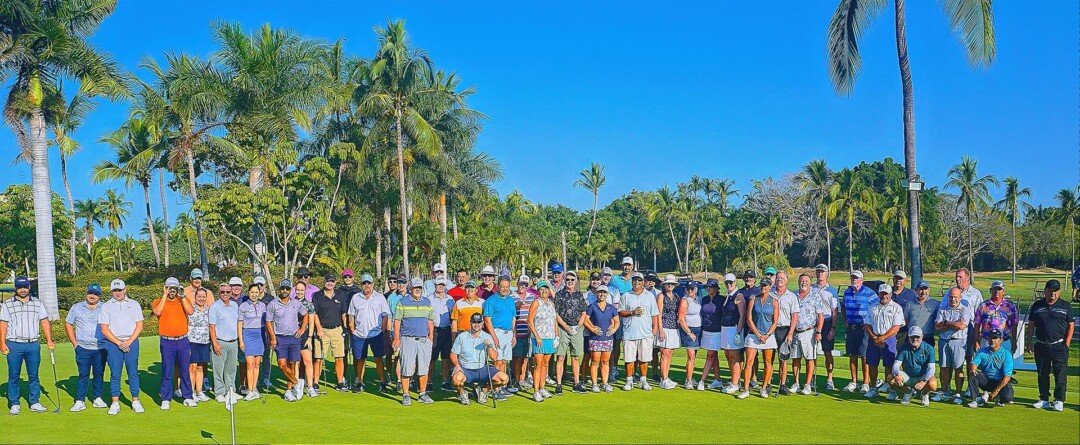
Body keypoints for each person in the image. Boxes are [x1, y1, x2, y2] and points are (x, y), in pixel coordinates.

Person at [1, 276, 55, 415]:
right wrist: (2, 343)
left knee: (34, 375)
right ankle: (14, 403)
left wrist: (49, 340)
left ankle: (34, 402)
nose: (23, 290)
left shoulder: (37, 303)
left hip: (33, 344)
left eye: (25, 287)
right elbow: (3, 324)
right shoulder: (7, 304)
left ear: (29, 287)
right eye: (20, 287)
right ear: (16, 288)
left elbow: (44, 322)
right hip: (14, 344)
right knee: (13, 376)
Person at [1025, 279, 1074, 412]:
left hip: (1059, 345)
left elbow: (1070, 325)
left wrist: (1067, 343)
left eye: (1055, 291)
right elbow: (1031, 325)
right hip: (1041, 345)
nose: (1053, 293)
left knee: (1060, 374)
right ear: (1045, 291)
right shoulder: (1037, 305)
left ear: (1059, 292)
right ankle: (1044, 399)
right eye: (1050, 290)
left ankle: (1059, 400)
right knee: (1042, 373)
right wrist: (1029, 342)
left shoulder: (1065, 306)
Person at [98, 279, 145, 415]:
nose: (117, 293)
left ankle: (135, 400)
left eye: (119, 290)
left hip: (131, 341)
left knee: (133, 371)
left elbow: (139, 326)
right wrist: (119, 343)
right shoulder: (106, 306)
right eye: (114, 290)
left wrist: (128, 342)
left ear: (125, 290)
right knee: (115, 373)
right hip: (113, 343)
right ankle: (115, 403)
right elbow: (104, 329)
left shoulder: (134, 304)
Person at [151, 277, 195, 409]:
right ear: (165, 288)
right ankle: (165, 398)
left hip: (182, 340)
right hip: (167, 341)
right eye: (169, 288)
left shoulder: (182, 300)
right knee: (167, 370)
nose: (172, 291)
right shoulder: (158, 301)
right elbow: (157, 311)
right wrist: (164, 295)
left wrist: (183, 296)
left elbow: (191, 311)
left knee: (184, 370)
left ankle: (188, 397)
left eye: (174, 288)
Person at [64, 284, 108, 412]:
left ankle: (97, 398)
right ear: (86, 293)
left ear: (99, 295)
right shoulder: (77, 307)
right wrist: (75, 343)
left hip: (101, 348)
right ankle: (80, 401)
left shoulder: (105, 307)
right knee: (83, 374)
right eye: (90, 293)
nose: (92, 296)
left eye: (95, 294)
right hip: (82, 347)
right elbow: (68, 323)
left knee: (99, 374)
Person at [450, 313, 509, 405]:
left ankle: (484, 390)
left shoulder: (487, 336)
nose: (476, 324)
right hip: (466, 369)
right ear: (470, 322)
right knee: (456, 380)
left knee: (504, 379)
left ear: (482, 323)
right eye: (474, 322)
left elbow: (494, 357)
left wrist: (489, 346)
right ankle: (462, 393)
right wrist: (457, 366)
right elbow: (453, 354)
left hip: (482, 369)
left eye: (479, 322)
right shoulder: (462, 336)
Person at [393, 278, 436, 405]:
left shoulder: (427, 302)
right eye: (415, 287)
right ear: (410, 288)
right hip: (407, 339)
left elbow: (430, 321)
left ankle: (422, 393)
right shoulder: (402, 302)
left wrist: (431, 337)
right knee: (406, 368)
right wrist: (396, 338)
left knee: (423, 368)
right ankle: (406, 395)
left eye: (420, 288)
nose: (418, 290)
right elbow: (397, 321)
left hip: (423, 340)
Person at [347, 274, 391, 393]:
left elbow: (385, 315)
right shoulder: (356, 297)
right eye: (364, 283)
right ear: (361, 284)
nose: (367, 285)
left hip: (376, 334)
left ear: (373, 284)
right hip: (360, 334)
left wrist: (382, 330)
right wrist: (353, 330)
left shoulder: (380, 297)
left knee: (378, 359)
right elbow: (351, 315)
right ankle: (360, 382)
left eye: (369, 283)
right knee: (360, 359)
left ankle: (382, 383)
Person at [267, 279, 309, 402]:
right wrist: (273, 337)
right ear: (280, 289)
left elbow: (306, 315)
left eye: (287, 289)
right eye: (283, 288)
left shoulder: (296, 303)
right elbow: (268, 322)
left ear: (291, 290)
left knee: (293, 364)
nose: (285, 291)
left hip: (294, 337)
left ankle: (288, 391)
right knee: (282, 364)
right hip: (280, 337)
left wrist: (302, 329)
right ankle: (297, 383)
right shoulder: (273, 304)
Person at [863, 284, 906, 399]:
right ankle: (873, 388)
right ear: (878, 294)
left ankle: (892, 390)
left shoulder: (896, 307)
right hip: (873, 338)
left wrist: (882, 338)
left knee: (889, 365)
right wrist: (874, 337)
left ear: (890, 294)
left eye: (886, 294)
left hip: (889, 339)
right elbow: (867, 324)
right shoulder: (872, 307)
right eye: (881, 293)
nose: (883, 296)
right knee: (872, 364)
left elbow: (896, 327)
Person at [619, 272, 660, 391]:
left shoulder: (650, 296)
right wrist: (632, 312)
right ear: (632, 281)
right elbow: (620, 312)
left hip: (646, 333)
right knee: (629, 359)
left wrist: (654, 330)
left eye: (639, 280)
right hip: (629, 333)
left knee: (644, 358)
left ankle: (643, 380)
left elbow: (654, 314)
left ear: (643, 282)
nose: (637, 282)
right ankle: (629, 380)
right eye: (635, 280)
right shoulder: (626, 295)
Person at [739, 279, 778, 399]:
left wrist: (767, 335)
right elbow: (749, 319)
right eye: (761, 285)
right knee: (749, 362)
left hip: (768, 336)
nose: (763, 287)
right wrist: (758, 335)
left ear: (770, 287)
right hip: (753, 334)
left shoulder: (774, 301)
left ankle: (764, 388)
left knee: (767, 362)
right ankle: (746, 389)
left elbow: (775, 321)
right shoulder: (753, 299)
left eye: (765, 285)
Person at [933, 287, 971, 404]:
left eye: (955, 297)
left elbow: (961, 326)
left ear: (960, 298)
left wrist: (946, 322)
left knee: (958, 368)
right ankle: (944, 391)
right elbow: (937, 326)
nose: (953, 299)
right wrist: (953, 324)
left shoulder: (964, 310)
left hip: (959, 341)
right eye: (951, 297)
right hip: (944, 340)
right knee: (944, 367)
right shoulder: (943, 309)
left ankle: (958, 393)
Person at [312, 273, 349, 391]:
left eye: (332, 281)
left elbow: (343, 313)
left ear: (335, 282)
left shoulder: (341, 295)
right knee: (318, 358)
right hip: (322, 330)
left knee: (339, 358)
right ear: (324, 281)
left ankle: (340, 383)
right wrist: (318, 329)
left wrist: (345, 328)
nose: (330, 283)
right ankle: (315, 383)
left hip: (337, 330)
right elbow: (314, 314)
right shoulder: (317, 295)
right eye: (328, 281)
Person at [553, 271, 588, 394]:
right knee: (560, 357)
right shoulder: (559, 294)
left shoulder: (579, 294)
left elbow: (584, 312)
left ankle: (576, 383)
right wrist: (566, 327)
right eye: (568, 279)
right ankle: (558, 384)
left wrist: (578, 326)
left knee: (576, 357)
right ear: (565, 280)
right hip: (563, 329)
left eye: (572, 279)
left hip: (576, 329)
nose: (570, 281)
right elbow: (556, 313)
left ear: (576, 280)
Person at [483, 276, 518, 399]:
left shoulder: (510, 300)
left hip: (508, 333)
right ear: (497, 286)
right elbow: (487, 320)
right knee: (497, 362)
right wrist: (494, 337)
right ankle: (495, 388)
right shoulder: (491, 300)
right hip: (496, 332)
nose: (504, 289)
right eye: (502, 286)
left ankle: (502, 386)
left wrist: (514, 335)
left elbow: (513, 319)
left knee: (504, 361)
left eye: (507, 287)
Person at [790, 273, 824, 395]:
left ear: (810, 283)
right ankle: (796, 383)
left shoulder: (815, 296)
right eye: (802, 281)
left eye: (806, 281)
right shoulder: (793, 295)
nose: (804, 283)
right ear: (798, 282)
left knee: (810, 359)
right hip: (795, 331)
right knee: (795, 358)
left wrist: (819, 331)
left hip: (809, 331)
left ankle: (807, 384)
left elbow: (820, 316)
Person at [842, 270, 876, 393]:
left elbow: (877, 308)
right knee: (852, 355)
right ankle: (854, 382)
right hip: (851, 328)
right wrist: (845, 321)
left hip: (864, 328)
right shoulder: (847, 292)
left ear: (861, 279)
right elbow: (843, 307)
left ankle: (866, 383)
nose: (854, 280)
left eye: (856, 278)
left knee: (864, 356)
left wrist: (869, 323)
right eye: (852, 278)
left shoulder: (869, 293)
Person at [887, 326, 937, 406]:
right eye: (912, 337)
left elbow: (932, 369)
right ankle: (907, 392)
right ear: (909, 337)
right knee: (890, 378)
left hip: (922, 376)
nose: (915, 339)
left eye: (917, 337)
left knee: (933, 384)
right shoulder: (903, 347)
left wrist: (924, 381)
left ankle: (924, 393)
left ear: (922, 337)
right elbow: (896, 365)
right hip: (907, 376)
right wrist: (896, 375)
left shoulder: (929, 348)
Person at [209, 283, 241, 403]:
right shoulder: (215, 307)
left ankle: (230, 391)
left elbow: (238, 323)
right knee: (218, 369)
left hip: (233, 342)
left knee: (231, 369)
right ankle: (219, 392)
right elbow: (212, 327)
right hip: (220, 342)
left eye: (228, 292)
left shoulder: (234, 305)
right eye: (223, 292)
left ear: (231, 293)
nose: (225, 294)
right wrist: (215, 344)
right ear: (219, 293)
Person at [584, 285, 620, 392]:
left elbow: (617, 321)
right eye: (600, 292)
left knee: (605, 361)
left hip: (607, 338)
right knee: (595, 361)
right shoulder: (592, 306)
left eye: (604, 292)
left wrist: (613, 329)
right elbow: (585, 319)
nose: (602, 294)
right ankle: (594, 384)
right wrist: (592, 328)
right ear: (597, 293)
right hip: (595, 338)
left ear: (607, 294)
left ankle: (604, 383)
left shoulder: (611, 307)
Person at [965, 329, 1015, 408]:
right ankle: (977, 399)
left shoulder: (1006, 354)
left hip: (999, 381)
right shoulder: (982, 352)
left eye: (995, 338)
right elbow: (973, 363)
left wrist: (995, 392)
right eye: (990, 338)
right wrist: (973, 369)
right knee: (973, 374)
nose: (992, 340)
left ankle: (999, 398)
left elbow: (1007, 377)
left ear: (1001, 340)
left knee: (1008, 398)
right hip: (986, 381)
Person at [527, 281, 559, 401]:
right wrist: (537, 336)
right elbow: (530, 321)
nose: (544, 291)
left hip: (550, 337)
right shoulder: (536, 302)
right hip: (539, 338)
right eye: (541, 289)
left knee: (545, 364)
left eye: (546, 288)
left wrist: (557, 336)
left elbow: (554, 320)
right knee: (538, 365)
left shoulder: (551, 303)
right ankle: (536, 391)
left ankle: (542, 387)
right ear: (538, 291)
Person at [811, 264, 839, 390]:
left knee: (827, 352)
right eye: (818, 272)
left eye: (822, 272)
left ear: (827, 274)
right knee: (812, 353)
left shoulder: (832, 291)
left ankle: (829, 379)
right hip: (813, 323)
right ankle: (811, 378)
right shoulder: (811, 288)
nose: (820, 274)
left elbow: (834, 311)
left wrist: (833, 328)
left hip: (827, 323)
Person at [772, 271, 799, 395]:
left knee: (783, 358)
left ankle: (782, 384)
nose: (779, 280)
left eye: (782, 278)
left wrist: (790, 333)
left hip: (785, 329)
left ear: (786, 281)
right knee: (769, 358)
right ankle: (767, 384)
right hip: (771, 329)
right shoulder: (770, 294)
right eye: (778, 278)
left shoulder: (791, 296)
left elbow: (794, 317)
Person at [239, 283, 267, 401]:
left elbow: (266, 322)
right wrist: (241, 340)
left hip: (260, 335)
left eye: (256, 292)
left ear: (259, 293)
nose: (254, 294)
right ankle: (249, 390)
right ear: (248, 293)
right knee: (249, 364)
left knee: (257, 364)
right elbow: (240, 323)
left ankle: (254, 388)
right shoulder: (243, 306)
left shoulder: (263, 306)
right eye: (252, 292)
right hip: (248, 335)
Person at [653, 274, 682, 390]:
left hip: (674, 327)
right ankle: (663, 379)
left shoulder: (676, 296)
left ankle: (666, 377)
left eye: (672, 284)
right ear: (664, 285)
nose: (670, 285)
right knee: (664, 353)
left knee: (670, 353)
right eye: (668, 284)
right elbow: (658, 314)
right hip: (664, 327)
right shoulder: (661, 296)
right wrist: (660, 330)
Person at [973, 281, 1019, 352]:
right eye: (994, 289)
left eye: (999, 289)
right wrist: (976, 341)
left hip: (1004, 341)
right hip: (986, 341)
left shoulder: (1010, 305)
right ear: (990, 291)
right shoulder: (983, 305)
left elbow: (1014, 324)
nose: (997, 291)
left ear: (1003, 292)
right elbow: (977, 324)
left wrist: (1014, 341)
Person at [428, 278, 455, 391]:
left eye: (442, 285)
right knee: (432, 358)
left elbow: (453, 317)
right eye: (438, 284)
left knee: (446, 358)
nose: (440, 286)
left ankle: (445, 381)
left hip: (447, 331)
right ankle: (429, 382)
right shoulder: (429, 299)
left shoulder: (450, 299)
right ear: (435, 285)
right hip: (434, 331)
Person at [292, 281, 318, 398]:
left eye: (302, 290)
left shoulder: (309, 304)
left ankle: (310, 387)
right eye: (298, 290)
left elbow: (311, 322)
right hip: (293, 335)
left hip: (305, 335)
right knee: (295, 362)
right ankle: (296, 386)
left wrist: (309, 337)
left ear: (305, 291)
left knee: (308, 361)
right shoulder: (291, 303)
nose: (299, 292)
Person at [953, 268, 984, 364]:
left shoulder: (975, 293)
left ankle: (970, 374)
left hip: (970, 329)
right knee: (955, 361)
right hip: (953, 329)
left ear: (967, 278)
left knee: (969, 358)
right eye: (956, 277)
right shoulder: (951, 292)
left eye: (960, 277)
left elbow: (980, 315)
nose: (958, 279)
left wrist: (978, 336)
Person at [511, 275, 535, 392]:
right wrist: (516, 307)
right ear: (517, 284)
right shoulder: (511, 297)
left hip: (528, 332)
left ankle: (522, 379)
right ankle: (516, 380)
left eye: (525, 285)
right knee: (517, 358)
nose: (523, 286)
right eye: (521, 284)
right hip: (516, 332)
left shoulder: (532, 297)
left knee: (525, 357)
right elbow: (510, 314)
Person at [697, 278, 722, 390]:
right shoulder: (704, 299)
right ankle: (718, 380)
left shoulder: (721, 299)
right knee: (714, 356)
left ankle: (702, 380)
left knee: (710, 355)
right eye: (707, 286)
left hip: (717, 331)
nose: (708, 288)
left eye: (710, 286)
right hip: (706, 331)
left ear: (716, 288)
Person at [678, 280, 703, 390]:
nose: (690, 291)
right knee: (691, 356)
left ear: (696, 289)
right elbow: (681, 319)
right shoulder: (684, 300)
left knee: (693, 356)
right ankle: (688, 381)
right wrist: (689, 332)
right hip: (689, 330)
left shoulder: (698, 299)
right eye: (688, 289)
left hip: (698, 330)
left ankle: (689, 377)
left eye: (692, 289)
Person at [188, 288, 212, 402]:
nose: (201, 299)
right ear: (195, 297)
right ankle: (191, 392)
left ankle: (199, 391)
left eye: (203, 297)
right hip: (192, 342)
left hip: (204, 342)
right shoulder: (190, 310)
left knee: (200, 367)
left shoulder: (209, 311)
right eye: (199, 296)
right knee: (192, 367)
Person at [902, 281, 939, 353]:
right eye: (921, 289)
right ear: (916, 290)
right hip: (912, 337)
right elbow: (906, 319)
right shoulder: (910, 303)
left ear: (929, 290)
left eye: (925, 289)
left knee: (927, 358)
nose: (923, 292)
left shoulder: (935, 304)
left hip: (927, 338)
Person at [384, 274, 407, 388]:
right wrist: (388, 333)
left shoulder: (411, 296)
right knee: (395, 355)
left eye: (403, 282)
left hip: (408, 331)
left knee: (407, 356)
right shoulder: (391, 297)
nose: (400, 285)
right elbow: (389, 317)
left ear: (407, 283)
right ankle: (398, 380)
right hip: (395, 331)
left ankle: (409, 379)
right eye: (399, 282)